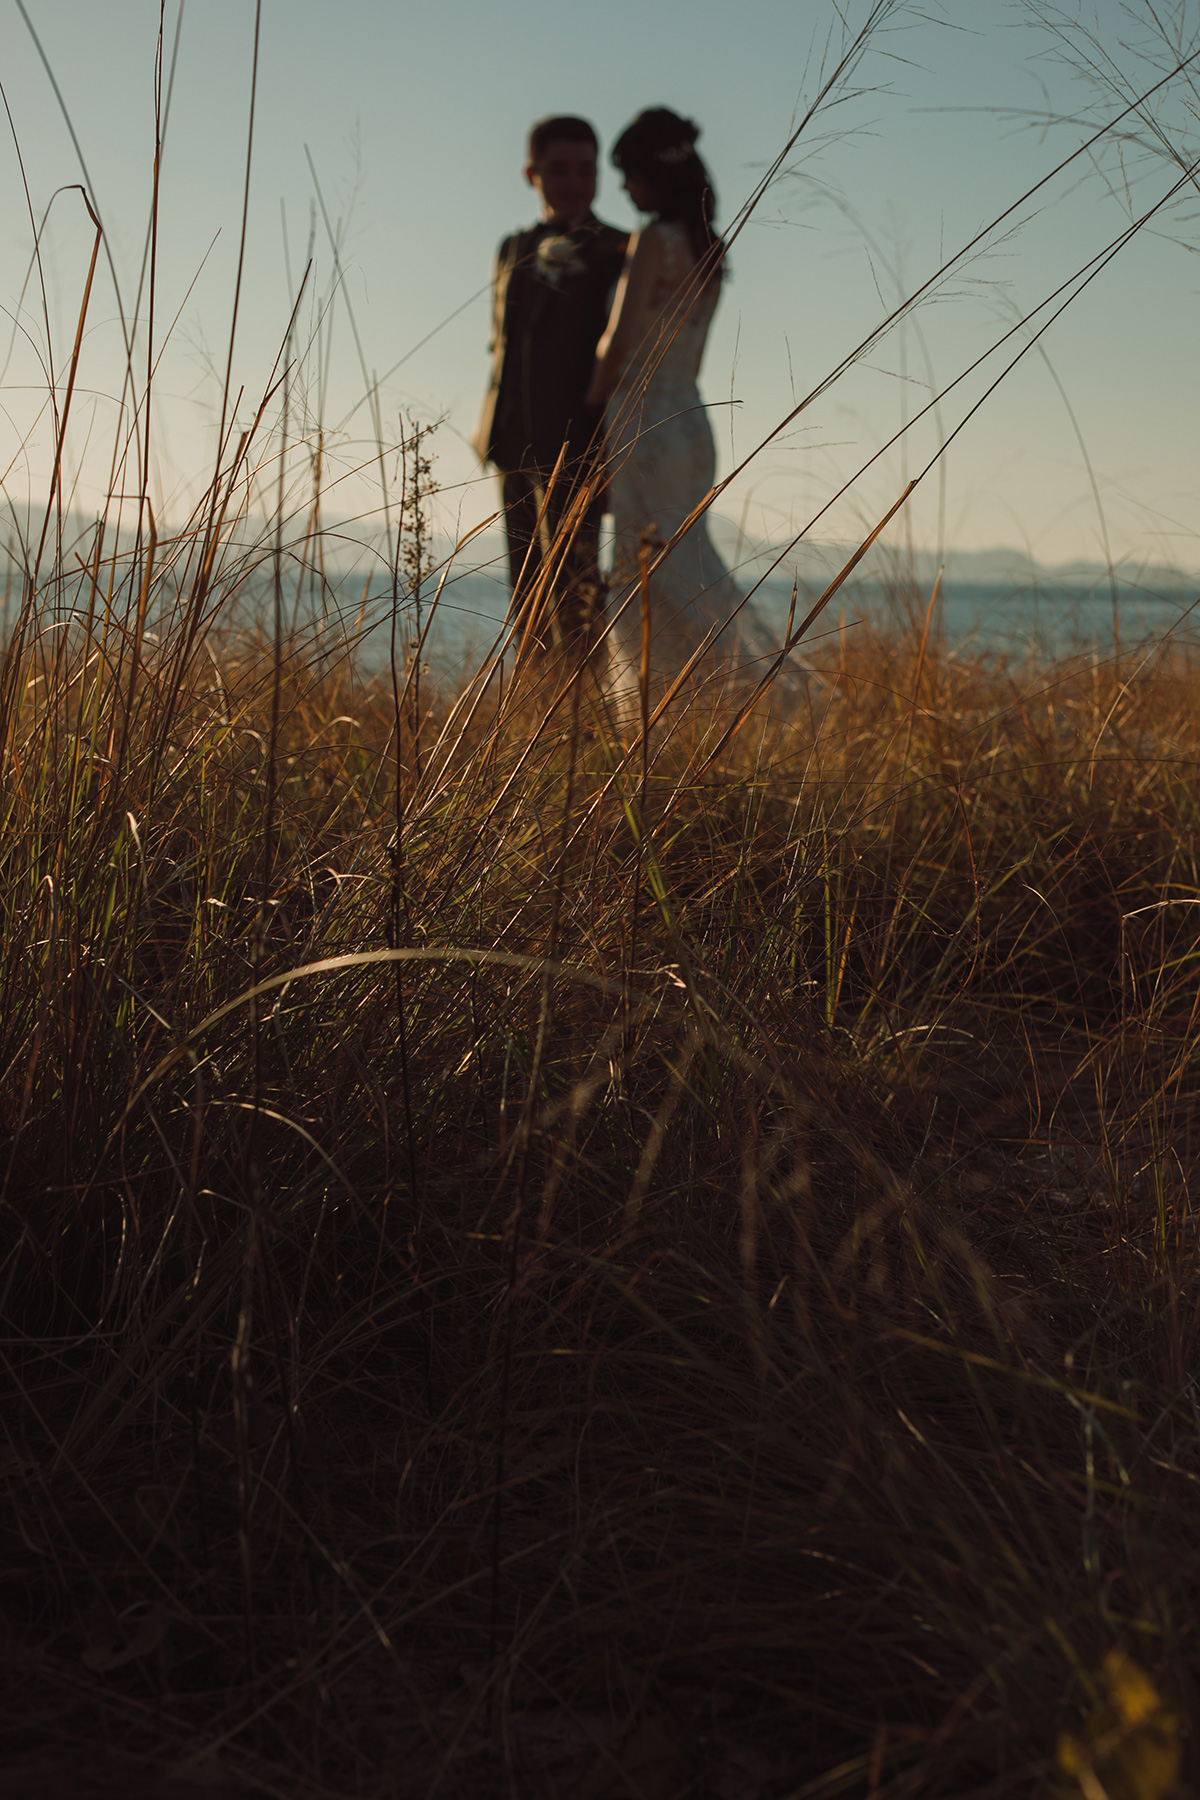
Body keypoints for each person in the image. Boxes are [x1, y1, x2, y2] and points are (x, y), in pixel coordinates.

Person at [586, 109, 770, 713]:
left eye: (628, 175)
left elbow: (616, 344)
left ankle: (760, 687)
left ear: (654, 177)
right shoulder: (710, 249)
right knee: (686, 561)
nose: (623, 189)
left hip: (643, 420)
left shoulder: (653, 242)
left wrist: (586, 409)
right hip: (690, 417)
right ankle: (702, 704)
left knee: (643, 572)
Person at [472, 117, 628, 658]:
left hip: (579, 444)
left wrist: (610, 451)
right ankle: (535, 709)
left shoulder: (618, 249)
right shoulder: (511, 246)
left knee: (577, 590)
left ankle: (583, 719)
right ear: (531, 174)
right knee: (525, 591)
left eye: (586, 169)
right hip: (510, 439)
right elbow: (503, 343)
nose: (574, 182)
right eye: (559, 169)